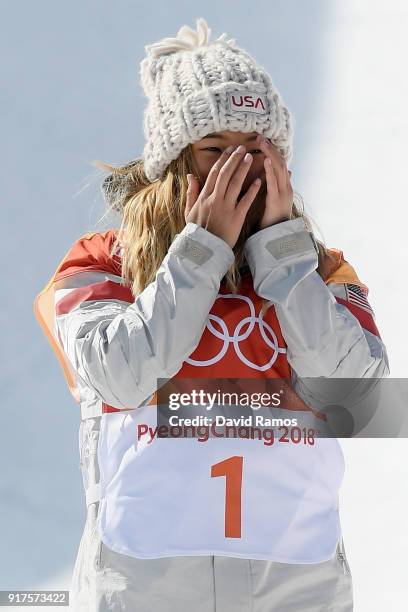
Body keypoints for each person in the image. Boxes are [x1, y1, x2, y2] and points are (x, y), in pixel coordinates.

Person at [33, 17, 390, 612]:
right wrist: (199, 253)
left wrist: (285, 262)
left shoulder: (320, 273)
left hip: (297, 587)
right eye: (214, 151)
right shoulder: (101, 266)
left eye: (256, 150)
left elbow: (362, 402)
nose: (237, 171)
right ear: (173, 162)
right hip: (145, 585)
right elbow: (118, 376)